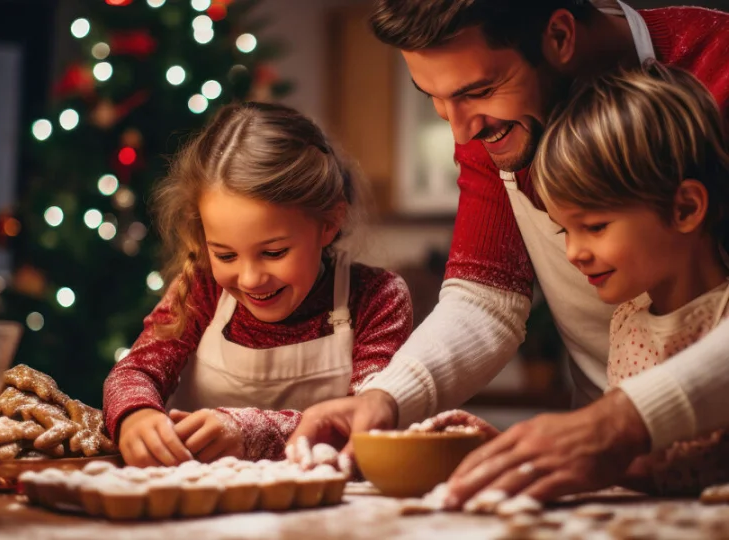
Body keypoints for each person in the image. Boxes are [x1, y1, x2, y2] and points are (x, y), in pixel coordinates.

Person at [289, 0, 729, 504]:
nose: (460, 133)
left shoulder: (720, 64)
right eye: (433, 96)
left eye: (477, 91)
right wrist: (387, 396)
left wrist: (619, 423)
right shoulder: (494, 121)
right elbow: (486, 297)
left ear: (560, 35)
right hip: (614, 481)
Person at [103, 102, 413, 467]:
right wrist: (136, 414)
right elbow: (135, 371)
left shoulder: (377, 298)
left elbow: (365, 421)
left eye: (274, 252)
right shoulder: (202, 290)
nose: (250, 279)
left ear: (329, 223)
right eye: (226, 255)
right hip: (205, 508)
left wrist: (249, 432)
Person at [527, 62, 729, 496]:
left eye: (595, 226)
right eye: (566, 230)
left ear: (686, 209)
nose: (573, 253)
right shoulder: (627, 324)